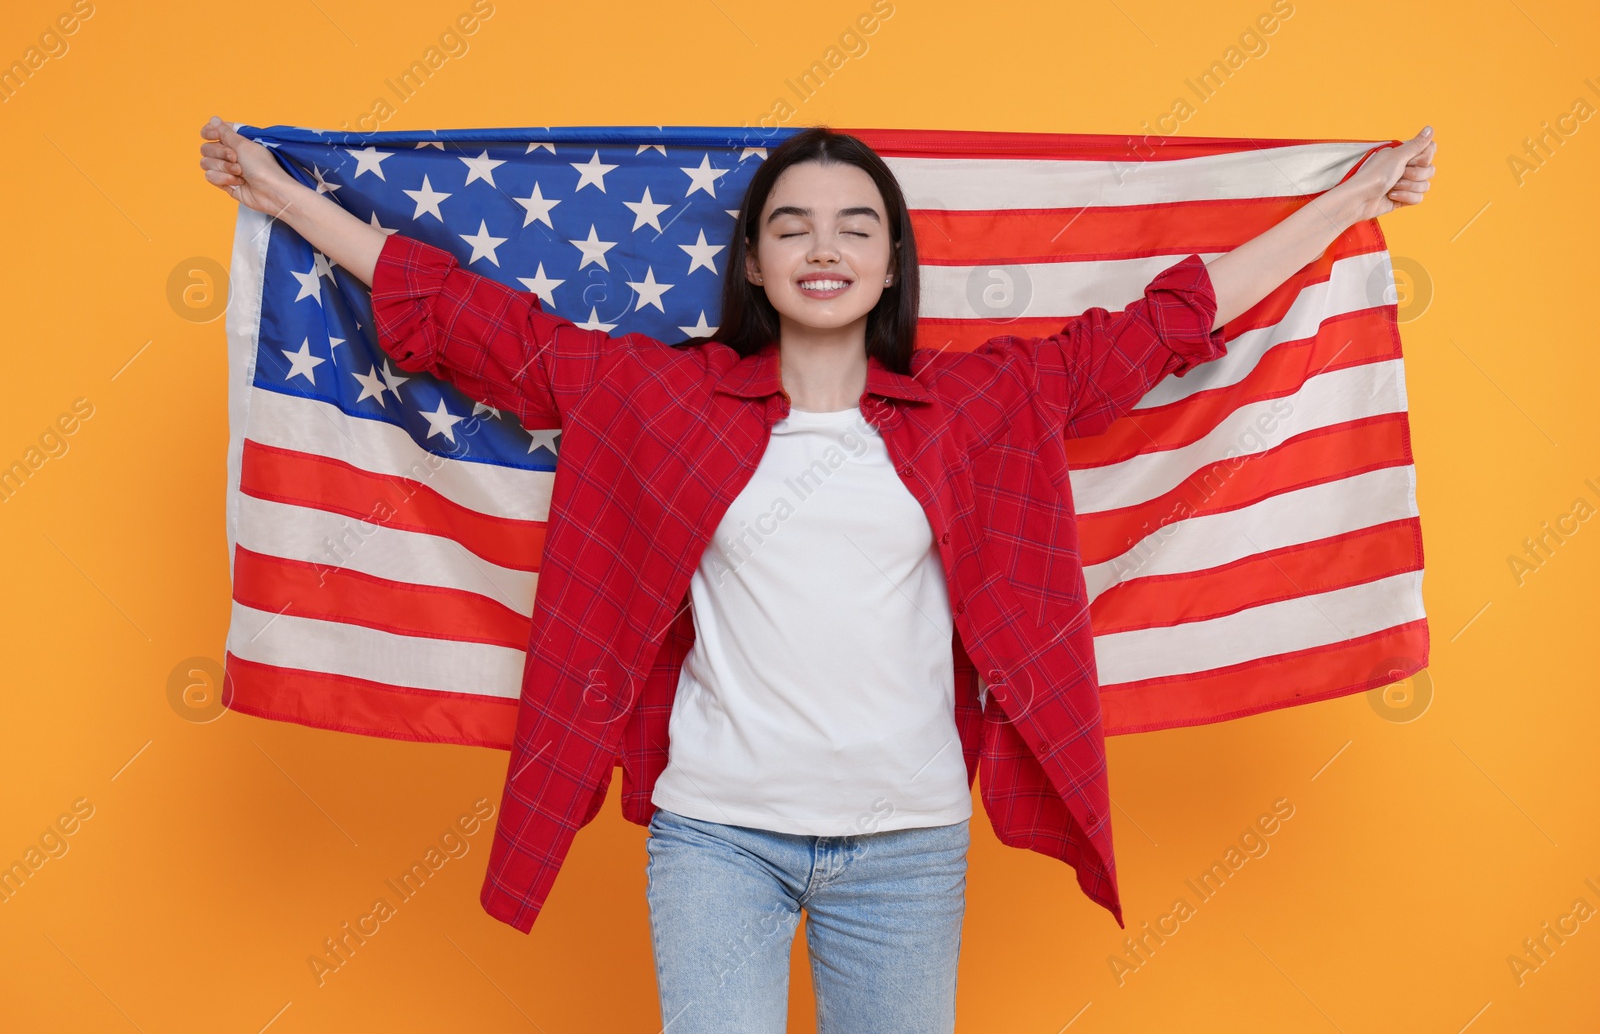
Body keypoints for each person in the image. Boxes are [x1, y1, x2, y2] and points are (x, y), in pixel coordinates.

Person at [198, 116, 1435, 1032]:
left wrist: (1347, 200)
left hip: (905, 838)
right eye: (791, 224)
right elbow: (475, 325)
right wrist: (282, 193)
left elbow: (1166, 326)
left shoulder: (979, 405)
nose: (823, 247)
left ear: (892, 262)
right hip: (716, 836)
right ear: (753, 262)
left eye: (855, 226)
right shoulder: (660, 397)